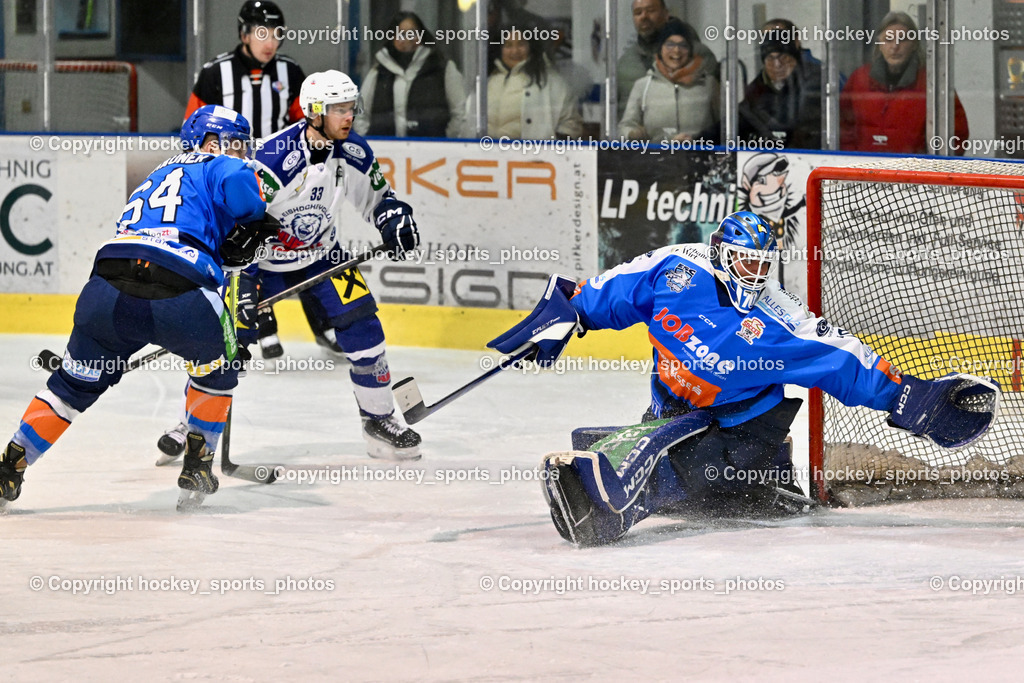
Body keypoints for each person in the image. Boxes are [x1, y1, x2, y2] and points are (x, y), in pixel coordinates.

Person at [488, 212, 1000, 546]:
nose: (753, 273)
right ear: (719, 254)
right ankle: (766, 486)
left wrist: (914, 399)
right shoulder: (674, 271)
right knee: (688, 469)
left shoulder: (782, 321)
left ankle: (607, 507)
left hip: (745, 430)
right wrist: (568, 313)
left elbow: (846, 360)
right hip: (673, 409)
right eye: (743, 260)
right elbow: (610, 294)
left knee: (678, 465)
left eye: (762, 263)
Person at [0, 106, 276, 509]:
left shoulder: (157, 173)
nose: (241, 153)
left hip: (105, 293)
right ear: (210, 143)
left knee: (70, 388)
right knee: (219, 370)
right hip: (182, 292)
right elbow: (241, 192)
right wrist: (257, 214)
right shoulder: (219, 165)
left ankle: (10, 467)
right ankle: (198, 467)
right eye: (234, 143)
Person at [160, 71, 423, 463]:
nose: (348, 117)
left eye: (351, 108)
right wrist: (241, 278)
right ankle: (190, 426)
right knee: (227, 345)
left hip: (323, 252)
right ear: (315, 112)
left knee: (364, 326)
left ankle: (378, 421)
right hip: (260, 263)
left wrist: (393, 218)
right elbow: (236, 218)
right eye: (338, 109)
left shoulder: (353, 152)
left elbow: (379, 199)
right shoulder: (275, 158)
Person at [184, 1, 339, 368]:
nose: (271, 42)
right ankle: (261, 320)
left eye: (277, 34)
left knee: (299, 238)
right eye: (262, 33)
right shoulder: (214, 73)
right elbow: (194, 128)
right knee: (250, 246)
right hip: (234, 177)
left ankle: (322, 322)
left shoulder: (292, 72)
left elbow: (309, 124)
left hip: (282, 175)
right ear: (244, 34)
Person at [840, 11, 969, 153]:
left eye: (902, 39)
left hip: (913, 171)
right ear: (879, 43)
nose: (895, 46)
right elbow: (842, 126)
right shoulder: (859, 79)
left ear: (914, 44)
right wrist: (851, 159)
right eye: (888, 39)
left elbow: (956, 135)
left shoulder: (933, 83)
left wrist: (925, 164)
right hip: (863, 170)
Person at [356, 11, 466, 139]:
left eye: (412, 33)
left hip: (434, 153)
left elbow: (460, 113)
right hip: (386, 153)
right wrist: (368, 142)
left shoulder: (442, 67)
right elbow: (360, 113)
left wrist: (446, 140)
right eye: (401, 34)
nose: (407, 39)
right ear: (392, 37)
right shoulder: (379, 70)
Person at [470, 27, 582, 140]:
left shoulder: (550, 82)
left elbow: (571, 125)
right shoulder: (488, 81)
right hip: (486, 155)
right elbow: (468, 122)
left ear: (531, 47)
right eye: (508, 45)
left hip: (532, 156)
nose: (515, 51)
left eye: (521, 44)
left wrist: (550, 149)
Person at [618, 19, 720, 143]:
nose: (676, 50)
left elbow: (724, 126)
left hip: (699, 159)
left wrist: (698, 142)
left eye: (683, 45)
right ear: (660, 49)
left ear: (690, 51)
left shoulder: (709, 85)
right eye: (670, 44)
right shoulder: (643, 86)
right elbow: (625, 127)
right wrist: (632, 134)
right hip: (655, 159)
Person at [616, 0, 718, 117]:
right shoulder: (626, 63)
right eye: (638, 13)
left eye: (650, 11)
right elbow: (620, 116)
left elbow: (715, 107)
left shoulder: (698, 55)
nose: (644, 16)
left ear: (666, 14)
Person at [738, 32, 822, 149]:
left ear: (795, 59)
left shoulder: (814, 80)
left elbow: (805, 129)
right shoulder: (760, 85)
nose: (777, 64)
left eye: (783, 58)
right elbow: (743, 115)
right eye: (770, 59)